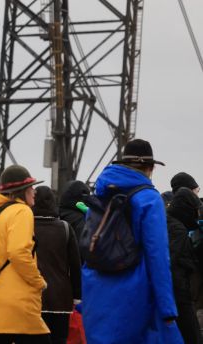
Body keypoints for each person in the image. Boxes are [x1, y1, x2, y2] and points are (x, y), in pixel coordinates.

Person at [81, 139, 183, 344]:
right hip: (135, 298)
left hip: (96, 294)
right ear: (150, 167)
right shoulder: (149, 199)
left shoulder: (100, 196)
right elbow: (158, 256)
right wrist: (168, 309)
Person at [0, 165, 49, 343]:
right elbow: (18, 252)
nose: (34, 191)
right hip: (15, 304)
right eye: (31, 187)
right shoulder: (21, 211)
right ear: (22, 191)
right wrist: (38, 282)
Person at [32, 186, 81, 344]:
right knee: (59, 339)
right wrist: (77, 297)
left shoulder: (25, 227)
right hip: (61, 298)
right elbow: (75, 265)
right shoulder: (65, 228)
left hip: (32, 297)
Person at [167, 187, 202, 344]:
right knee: (192, 335)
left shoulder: (165, 221)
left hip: (170, 293)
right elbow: (171, 261)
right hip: (178, 293)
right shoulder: (179, 230)